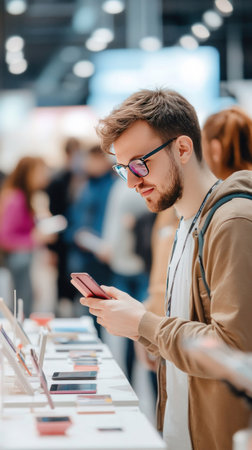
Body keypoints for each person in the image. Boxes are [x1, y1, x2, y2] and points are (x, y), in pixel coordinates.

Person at [80, 89, 252, 450]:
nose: (131, 181)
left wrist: (144, 324)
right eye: (123, 168)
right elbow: (193, 332)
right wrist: (139, 323)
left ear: (184, 149)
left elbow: (235, 352)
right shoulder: (186, 220)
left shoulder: (232, 221)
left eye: (140, 164)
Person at [0, 156, 54, 316]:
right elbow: (4, 237)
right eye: (40, 172)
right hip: (17, 261)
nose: (45, 176)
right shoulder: (16, 198)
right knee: (22, 305)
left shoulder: (30, 196)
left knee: (28, 302)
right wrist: (34, 239)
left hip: (27, 259)